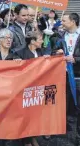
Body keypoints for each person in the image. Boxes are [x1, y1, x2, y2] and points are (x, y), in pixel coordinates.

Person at [53, 13, 80, 145]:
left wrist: (75, 59)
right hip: (62, 76)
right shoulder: (60, 36)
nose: (61, 23)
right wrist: (57, 53)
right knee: (62, 103)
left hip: (77, 76)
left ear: (73, 21)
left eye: (64, 20)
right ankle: (60, 128)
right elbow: (53, 52)